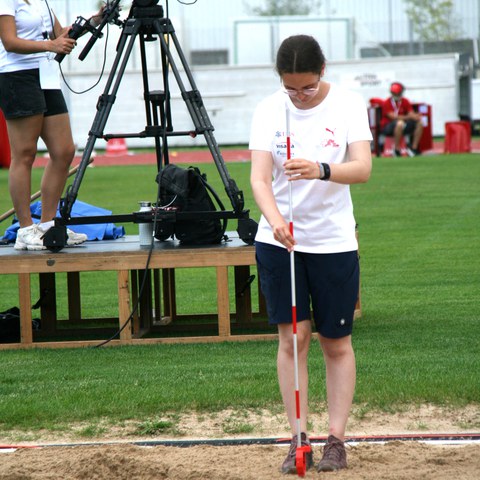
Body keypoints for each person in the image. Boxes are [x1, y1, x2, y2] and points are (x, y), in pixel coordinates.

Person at [249, 35, 372, 474]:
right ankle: (297, 437)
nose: (299, 96)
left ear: (323, 69)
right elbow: (260, 179)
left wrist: (321, 169)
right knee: (292, 337)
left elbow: (362, 167)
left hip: (334, 239)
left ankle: (336, 441)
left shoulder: (347, 105)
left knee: (335, 342)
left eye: (307, 87)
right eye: (291, 89)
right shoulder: (268, 109)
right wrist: (276, 219)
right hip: (280, 240)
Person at [0, 0, 103, 250]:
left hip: (45, 75)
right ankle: (25, 230)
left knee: (64, 150)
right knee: (24, 154)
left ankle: (47, 226)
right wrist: (51, 45)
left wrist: (94, 21)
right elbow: (9, 42)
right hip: (17, 75)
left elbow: (59, 34)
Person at [380, 81, 423, 157]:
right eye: (395, 93)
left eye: (398, 93)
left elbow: (410, 112)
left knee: (419, 123)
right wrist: (408, 117)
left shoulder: (405, 101)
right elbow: (393, 117)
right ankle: (397, 149)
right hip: (388, 126)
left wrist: (415, 116)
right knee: (400, 123)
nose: (397, 95)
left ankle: (414, 148)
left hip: (403, 124)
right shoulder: (387, 102)